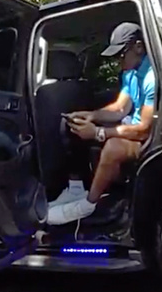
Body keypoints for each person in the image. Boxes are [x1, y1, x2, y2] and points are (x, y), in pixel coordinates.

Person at [46, 22, 155, 226]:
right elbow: (120, 108)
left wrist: (98, 133)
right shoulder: (130, 73)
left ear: (138, 47)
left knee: (113, 147)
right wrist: (91, 116)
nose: (118, 61)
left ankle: (89, 204)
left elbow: (143, 131)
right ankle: (76, 188)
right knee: (73, 126)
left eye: (121, 54)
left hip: (149, 138)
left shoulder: (151, 78)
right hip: (131, 126)